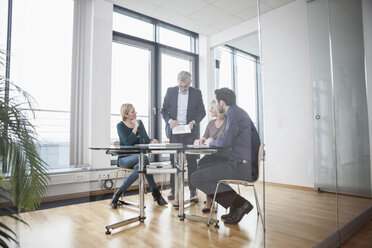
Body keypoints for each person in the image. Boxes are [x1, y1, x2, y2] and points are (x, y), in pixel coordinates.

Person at [190, 88, 260, 225]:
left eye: (216, 101)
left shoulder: (233, 114)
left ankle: (240, 203)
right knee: (203, 166)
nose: (215, 104)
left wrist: (211, 141)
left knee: (195, 177)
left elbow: (225, 141)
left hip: (242, 166)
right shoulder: (236, 112)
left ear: (221, 102)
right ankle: (235, 206)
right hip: (241, 162)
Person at [110, 103, 168, 208]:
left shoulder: (140, 123)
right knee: (144, 159)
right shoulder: (120, 126)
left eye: (135, 110)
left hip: (138, 159)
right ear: (126, 114)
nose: (135, 113)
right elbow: (127, 144)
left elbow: (145, 138)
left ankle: (117, 194)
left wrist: (151, 141)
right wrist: (135, 127)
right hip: (124, 159)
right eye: (133, 112)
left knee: (141, 165)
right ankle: (156, 193)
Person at [161, 71, 206, 200]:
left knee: (192, 162)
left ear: (189, 83)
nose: (183, 88)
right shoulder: (170, 91)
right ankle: (173, 190)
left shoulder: (196, 93)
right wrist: (170, 121)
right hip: (175, 133)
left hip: (190, 133)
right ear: (178, 82)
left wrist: (193, 122)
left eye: (185, 86)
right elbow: (163, 110)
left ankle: (193, 191)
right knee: (173, 162)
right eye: (181, 86)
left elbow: (201, 111)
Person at [194, 100, 227, 213]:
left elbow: (225, 142)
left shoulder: (228, 123)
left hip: (224, 157)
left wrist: (212, 141)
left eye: (212, 108)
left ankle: (209, 201)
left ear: (218, 109)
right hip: (212, 156)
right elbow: (205, 137)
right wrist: (202, 140)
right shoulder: (211, 123)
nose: (210, 110)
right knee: (201, 164)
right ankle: (211, 197)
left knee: (207, 168)